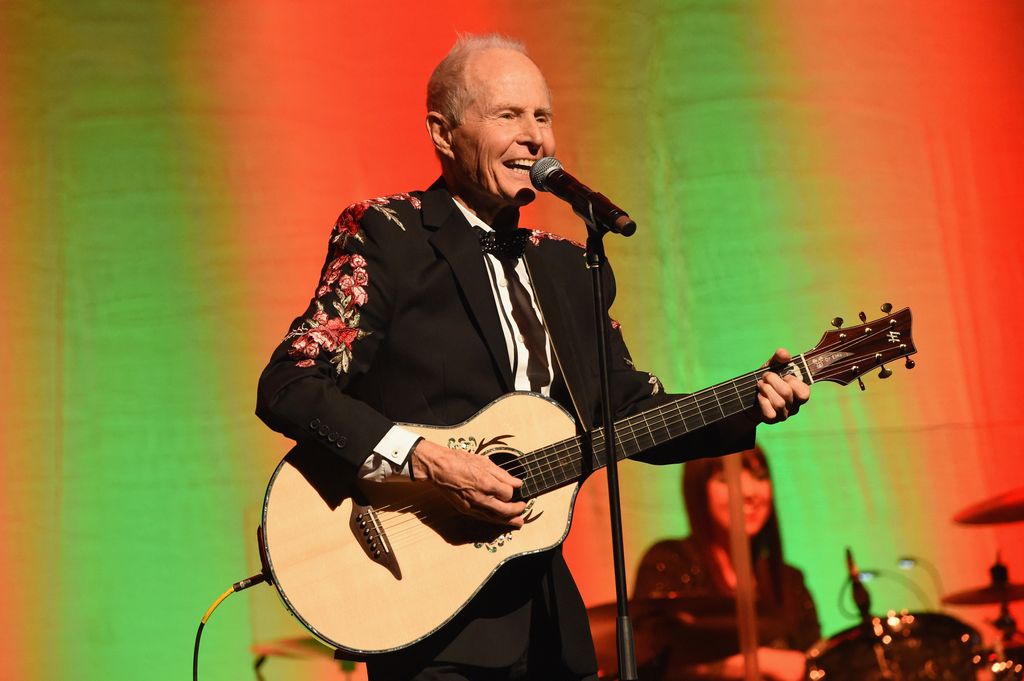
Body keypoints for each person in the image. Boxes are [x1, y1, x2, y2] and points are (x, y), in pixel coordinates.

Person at [256, 34, 810, 681]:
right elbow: (289, 383)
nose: (534, 138)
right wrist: (429, 460)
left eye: (542, 117)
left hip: (549, 624)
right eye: (507, 115)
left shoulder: (571, 266)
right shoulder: (389, 234)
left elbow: (630, 410)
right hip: (426, 615)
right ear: (443, 132)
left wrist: (752, 403)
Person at [633, 446, 820, 681]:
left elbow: (818, 661)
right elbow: (653, 659)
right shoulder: (670, 561)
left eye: (760, 476)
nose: (749, 491)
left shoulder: (788, 580)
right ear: (699, 491)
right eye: (726, 479)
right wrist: (759, 662)